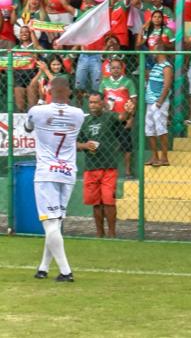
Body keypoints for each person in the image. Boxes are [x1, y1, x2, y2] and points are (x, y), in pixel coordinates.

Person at [25, 75, 84, 281]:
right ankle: (43, 268)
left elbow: (28, 127)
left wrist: (40, 100)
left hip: (46, 172)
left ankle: (66, 271)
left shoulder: (37, 111)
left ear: (48, 90)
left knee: (50, 224)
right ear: (70, 92)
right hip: (67, 172)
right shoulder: (78, 114)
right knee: (55, 224)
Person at [76, 92, 122, 238]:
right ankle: (99, 233)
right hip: (91, 166)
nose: (93, 105)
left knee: (109, 201)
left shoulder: (110, 117)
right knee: (96, 202)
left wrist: (128, 111)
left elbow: (122, 118)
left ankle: (112, 233)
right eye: (90, 102)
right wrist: (85, 145)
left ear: (102, 103)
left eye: (96, 102)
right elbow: (75, 144)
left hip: (108, 166)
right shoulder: (85, 121)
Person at [144, 45, 173, 167]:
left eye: (154, 50)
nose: (152, 52)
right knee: (149, 130)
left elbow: (167, 85)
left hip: (159, 103)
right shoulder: (155, 65)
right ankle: (154, 156)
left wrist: (160, 102)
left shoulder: (166, 67)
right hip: (150, 102)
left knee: (161, 129)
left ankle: (164, 157)